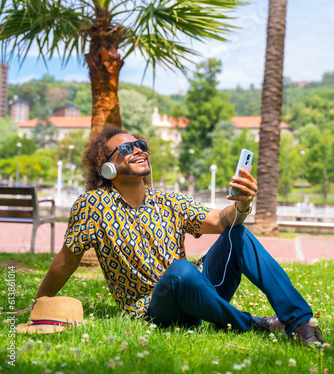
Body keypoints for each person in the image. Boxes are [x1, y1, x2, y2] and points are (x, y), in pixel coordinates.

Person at [20, 125, 323, 346]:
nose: (139, 149)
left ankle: (300, 324)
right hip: (157, 308)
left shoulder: (169, 201)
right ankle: (254, 324)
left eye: (140, 144)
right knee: (180, 271)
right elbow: (67, 260)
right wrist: (41, 300)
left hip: (199, 289)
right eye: (127, 148)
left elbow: (219, 220)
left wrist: (242, 204)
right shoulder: (93, 206)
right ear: (107, 166)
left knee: (236, 235)